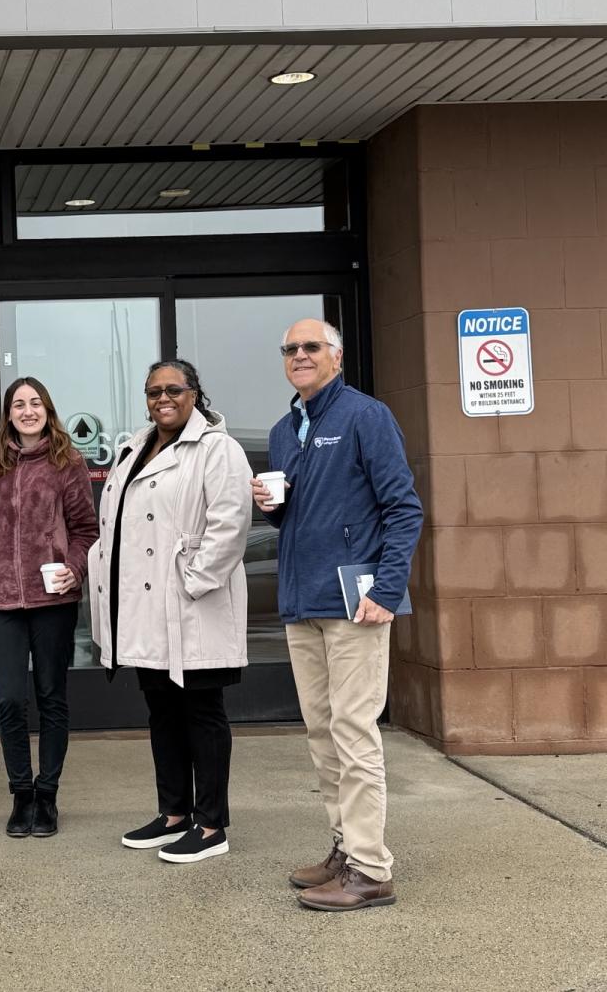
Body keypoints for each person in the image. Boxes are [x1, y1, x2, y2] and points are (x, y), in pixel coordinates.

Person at [252, 319, 422, 912]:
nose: (299, 355)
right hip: (303, 602)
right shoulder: (284, 430)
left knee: (353, 732)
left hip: (357, 604)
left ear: (337, 357)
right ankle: (345, 847)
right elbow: (301, 515)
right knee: (323, 734)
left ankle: (370, 868)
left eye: (311, 347)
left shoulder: (364, 416)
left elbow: (403, 508)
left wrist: (388, 589)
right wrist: (272, 508)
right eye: (290, 349)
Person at [90, 360, 252, 866]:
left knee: (202, 713)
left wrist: (192, 582)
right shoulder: (134, 449)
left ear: (194, 394)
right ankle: (174, 812)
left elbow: (230, 526)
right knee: (162, 712)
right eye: (154, 391)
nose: (163, 398)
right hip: (145, 608)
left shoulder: (218, 449)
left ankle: (211, 824)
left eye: (174, 389)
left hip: (192, 606)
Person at [0, 377, 98, 838]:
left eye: (35, 403)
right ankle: (20, 794)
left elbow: (86, 529)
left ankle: (47, 795)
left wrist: (74, 568)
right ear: (8, 414)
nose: (27, 411)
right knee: (9, 700)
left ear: (47, 409)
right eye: (18, 405)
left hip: (53, 599)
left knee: (51, 697)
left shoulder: (68, 462)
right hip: (0, 597)